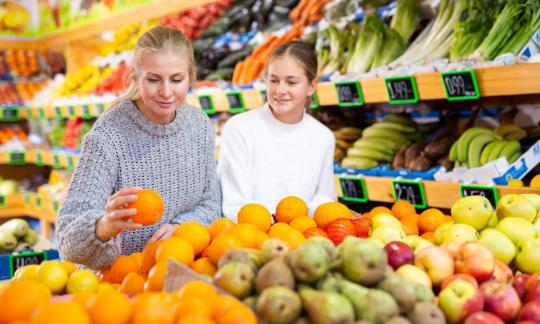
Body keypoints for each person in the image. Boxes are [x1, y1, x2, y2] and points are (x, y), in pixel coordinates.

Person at [56, 26, 221, 270]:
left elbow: (211, 203)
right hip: (118, 285)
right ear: (134, 77)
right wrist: (103, 226)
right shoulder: (108, 136)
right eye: (153, 80)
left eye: (176, 80)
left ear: (190, 76)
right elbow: (66, 241)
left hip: (178, 273)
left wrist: (183, 228)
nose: (166, 92)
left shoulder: (199, 125)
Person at [218, 40, 336, 220]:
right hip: (248, 237)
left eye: (291, 82)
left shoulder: (323, 137)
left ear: (311, 86)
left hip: (303, 237)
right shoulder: (239, 128)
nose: (280, 90)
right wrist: (275, 222)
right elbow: (234, 203)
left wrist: (297, 220)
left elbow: (325, 198)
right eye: (274, 80)